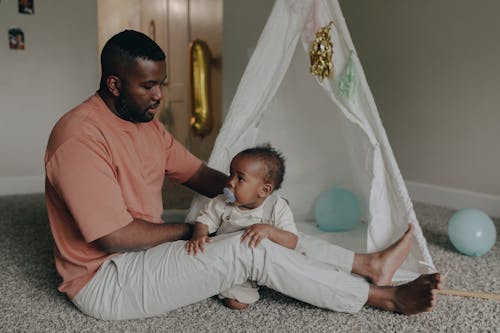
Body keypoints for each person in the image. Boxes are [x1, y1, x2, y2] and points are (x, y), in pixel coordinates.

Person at [44, 29, 442, 321]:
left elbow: (199, 174)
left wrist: (253, 200)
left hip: (146, 255)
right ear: (114, 84)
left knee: (258, 229)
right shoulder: (78, 138)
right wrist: (206, 230)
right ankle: (382, 297)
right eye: (148, 86)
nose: (159, 96)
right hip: (106, 280)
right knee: (247, 246)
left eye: (160, 84)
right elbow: (115, 236)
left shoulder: (146, 125)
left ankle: (366, 265)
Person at [185, 145, 298, 310]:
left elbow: (291, 241)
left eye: (240, 178)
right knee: (236, 303)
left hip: (267, 262)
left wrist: (269, 230)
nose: (230, 182)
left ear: (264, 190)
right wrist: (199, 235)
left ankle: (268, 282)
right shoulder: (221, 202)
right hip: (234, 264)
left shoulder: (277, 207)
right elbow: (205, 220)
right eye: (231, 174)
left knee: (295, 277)